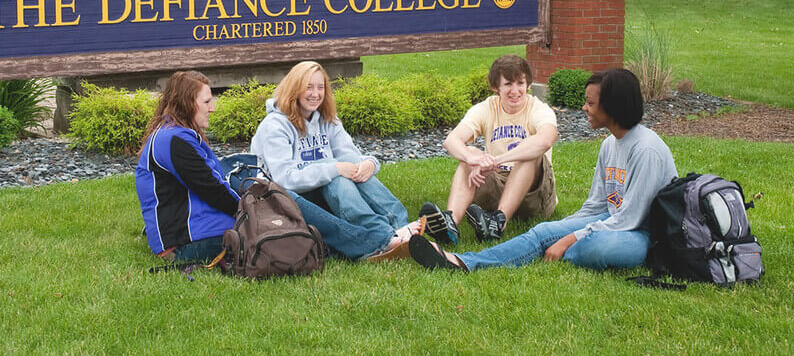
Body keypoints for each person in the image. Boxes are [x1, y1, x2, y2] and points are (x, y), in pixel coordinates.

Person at [409, 68, 677, 274]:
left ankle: (558, 250)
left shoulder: (647, 150)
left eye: (591, 103)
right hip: (612, 218)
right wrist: (560, 230)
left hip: (642, 232)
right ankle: (462, 261)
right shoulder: (610, 144)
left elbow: (631, 219)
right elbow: (596, 205)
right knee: (543, 231)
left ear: (613, 106)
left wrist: (569, 239)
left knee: (597, 248)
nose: (584, 108)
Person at [251, 61, 423, 260]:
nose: (315, 94)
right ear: (294, 88)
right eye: (308, 87)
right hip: (286, 198)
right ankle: (384, 234)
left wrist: (369, 164)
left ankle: (401, 225)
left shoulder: (326, 118)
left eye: (320, 87)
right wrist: (334, 168)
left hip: (319, 188)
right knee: (337, 177)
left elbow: (348, 154)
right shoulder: (275, 126)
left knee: (356, 171)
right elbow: (285, 179)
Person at [418, 55, 558, 245]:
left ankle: (499, 222)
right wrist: (473, 159)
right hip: (498, 183)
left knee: (530, 153)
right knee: (470, 154)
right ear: (495, 87)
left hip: (535, 194)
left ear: (528, 85)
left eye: (520, 83)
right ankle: (451, 224)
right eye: (508, 84)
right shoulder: (487, 108)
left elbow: (545, 140)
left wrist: (495, 160)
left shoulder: (539, 109)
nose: (515, 90)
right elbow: (451, 141)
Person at [136, 70, 237, 263]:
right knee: (271, 230)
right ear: (186, 104)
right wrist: (246, 210)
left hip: (192, 233)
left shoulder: (173, 134)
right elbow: (212, 190)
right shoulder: (174, 141)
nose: (212, 109)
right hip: (183, 245)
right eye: (206, 102)